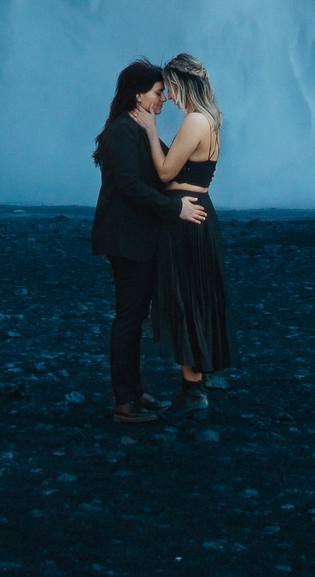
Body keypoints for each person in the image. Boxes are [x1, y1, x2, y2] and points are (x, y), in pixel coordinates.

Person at [91, 59, 206, 425]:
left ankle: (135, 392)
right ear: (138, 95)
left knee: (135, 316)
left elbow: (166, 169)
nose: (164, 98)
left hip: (137, 236)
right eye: (158, 92)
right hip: (126, 238)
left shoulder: (137, 127)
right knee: (129, 317)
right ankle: (125, 402)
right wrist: (175, 209)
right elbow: (129, 185)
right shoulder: (123, 131)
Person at [143, 52, 234, 415]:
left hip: (186, 219)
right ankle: (196, 382)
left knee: (185, 296)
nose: (168, 96)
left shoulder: (195, 121)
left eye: (170, 87)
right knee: (197, 294)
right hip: (199, 214)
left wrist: (149, 130)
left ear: (183, 84)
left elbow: (166, 173)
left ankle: (193, 390)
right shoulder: (210, 120)